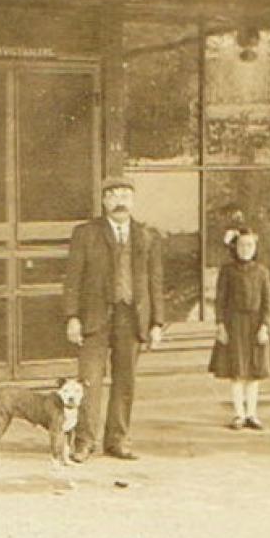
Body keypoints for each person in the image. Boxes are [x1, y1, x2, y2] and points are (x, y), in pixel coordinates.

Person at [63, 176, 165, 462]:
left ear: (133, 201)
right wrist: (72, 317)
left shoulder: (147, 235)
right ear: (104, 201)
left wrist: (157, 322)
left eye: (125, 195)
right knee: (89, 381)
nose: (120, 201)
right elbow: (72, 279)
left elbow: (156, 281)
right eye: (114, 195)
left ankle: (117, 440)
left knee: (125, 382)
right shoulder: (85, 233)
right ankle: (84, 442)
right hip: (94, 318)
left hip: (131, 319)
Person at [208, 228, 270, 430]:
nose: (245, 249)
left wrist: (264, 326)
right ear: (235, 248)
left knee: (254, 372)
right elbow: (220, 300)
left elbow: (267, 303)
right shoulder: (228, 271)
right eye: (241, 245)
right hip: (235, 324)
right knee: (237, 371)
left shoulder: (262, 272)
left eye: (250, 245)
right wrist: (220, 325)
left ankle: (252, 414)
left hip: (255, 324)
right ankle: (238, 414)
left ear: (255, 248)